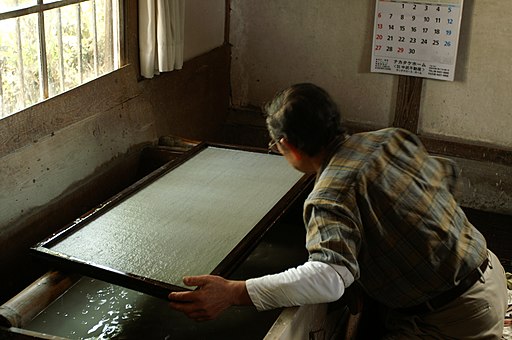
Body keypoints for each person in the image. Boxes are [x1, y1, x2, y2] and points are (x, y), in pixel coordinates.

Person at [168, 83, 507, 338]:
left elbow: (328, 278)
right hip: (489, 273)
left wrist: (235, 292)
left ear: (286, 145)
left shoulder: (328, 195)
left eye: (275, 146)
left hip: (456, 316)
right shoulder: (390, 138)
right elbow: (446, 177)